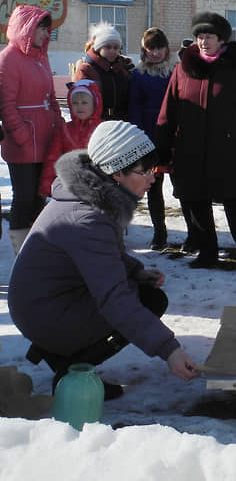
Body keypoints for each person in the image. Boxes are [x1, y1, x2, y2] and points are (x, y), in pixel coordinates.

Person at [9, 121, 200, 400]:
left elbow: (97, 257)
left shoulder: (88, 200)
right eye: (144, 170)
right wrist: (169, 349)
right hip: (44, 314)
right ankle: (72, 372)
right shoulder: (88, 218)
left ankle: (60, 354)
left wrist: (134, 271)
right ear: (116, 174)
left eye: (153, 170)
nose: (152, 178)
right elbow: (113, 297)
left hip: (44, 304)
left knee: (143, 295)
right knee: (145, 302)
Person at [156, 11, 236, 272]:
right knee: (195, 201)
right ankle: (207, 252)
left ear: (222, 40)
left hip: (227, 151)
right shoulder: (184, 68)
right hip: (189, 149)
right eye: (199, 36)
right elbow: (168, 109)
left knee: (235, 202)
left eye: (209, 37)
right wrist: (162, 146)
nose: (203, 42)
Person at [0, 5, 62, 253]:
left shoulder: (41, 57)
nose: (46, 34)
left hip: (46, 138)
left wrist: (59, 124)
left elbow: (51, 95)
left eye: (47, 29)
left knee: (40, 197)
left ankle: (36, 251)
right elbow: (6, 105)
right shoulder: (8, 58)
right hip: (23, 143)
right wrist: (22, 137)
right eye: (42, 28)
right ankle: (20, 250)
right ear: (26, 27)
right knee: (24, 199)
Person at [128, 27, 178, 251]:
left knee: (183, 188)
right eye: (151, 48)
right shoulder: (138, 74)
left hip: (175, 136)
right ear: (144, 50)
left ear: (166, 48)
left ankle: (196, 234)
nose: (156, 53)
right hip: (149, 137)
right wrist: (141, 137)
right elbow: (135, 107)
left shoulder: (176, 70)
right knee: (154, 188)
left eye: (159, 48)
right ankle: (160, 234)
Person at [37, 80, 103, 198]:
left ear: (95, 103)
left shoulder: (102, 129)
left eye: (84, 102)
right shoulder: (64, 130)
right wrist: (47, 185)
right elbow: (53, 158)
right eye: (75, 103)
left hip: (99, 185)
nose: (79, 106)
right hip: (70, 184)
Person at [74, 22, 132, 120]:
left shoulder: (123, 68)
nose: (112, 51)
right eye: (108, 47)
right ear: (99, 48)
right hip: (96, 123)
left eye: (116, 47)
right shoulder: (87, 69)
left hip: (121, 123)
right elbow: (79, 101)